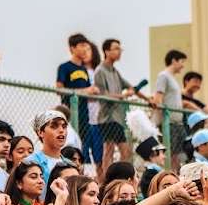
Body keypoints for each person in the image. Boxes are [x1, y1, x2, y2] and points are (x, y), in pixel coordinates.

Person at [93, 39, 142, 178]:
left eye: (120, 49)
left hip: (118, 118)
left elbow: (131, 87)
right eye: (115, 48)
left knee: (126, 152)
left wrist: (148, 99)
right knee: (108, 151)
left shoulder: (115, 72)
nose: (119, 51)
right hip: (107, 118)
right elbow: (101, 94)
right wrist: (122, 95)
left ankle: (121, 178)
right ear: (106, 51)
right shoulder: (100, 71)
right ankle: (107, 181)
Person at [55, 35, 101, 168]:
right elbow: (59, 89)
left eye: (86, 46)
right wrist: (86, 90)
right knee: (70, 146)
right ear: (72, 48)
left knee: (83, 149)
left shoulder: (84, 70)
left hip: (84, 115)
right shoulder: (64, 67)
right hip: (70, 114)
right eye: (81, 46)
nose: (85, 49)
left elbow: (88, 92)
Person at [154, 50, 187, 164]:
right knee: (171, 154)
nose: (183, 65)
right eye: (182, 61)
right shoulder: (163, 76)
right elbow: (158, 98)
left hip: (177, 123)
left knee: (179, 155)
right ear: (174, 60)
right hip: (168, 123)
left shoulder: (172, 78)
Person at [28, 109, 70, 183]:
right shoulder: (30, 162)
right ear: (40, 132)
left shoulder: (70, 165)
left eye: (64, 126)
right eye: (54, 126)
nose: (61, 130)